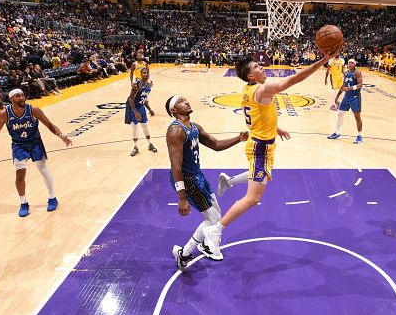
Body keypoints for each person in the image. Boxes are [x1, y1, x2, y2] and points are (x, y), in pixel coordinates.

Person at [202, 50, 337, 258]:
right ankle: (215, 230)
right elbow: (294, 79)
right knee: (253, 197)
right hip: (260, 148)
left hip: (261, 143)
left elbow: (260, 115)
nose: (261, 67)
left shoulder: (248, 90)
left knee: (259, 180)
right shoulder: (263, 89)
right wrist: (323, 60)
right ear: (250, 76)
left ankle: (228, 182)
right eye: (256, 67)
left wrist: (276, 128)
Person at [165, 95, 248, 270]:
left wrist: (238, 139)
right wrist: (182, 198)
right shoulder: (176, 131)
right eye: (181, 101)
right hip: (187, 180)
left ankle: (203, 246)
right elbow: (176, 166)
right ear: (174, 110)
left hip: (197, 176)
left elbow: (215, 144)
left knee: (215, 215)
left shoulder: (194, 127)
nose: (186, 101)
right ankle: (185, 253)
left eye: (186, 99)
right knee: (214, 220)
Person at [0, 88, 72, 217]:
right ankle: (24, 203)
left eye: (23, 95)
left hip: (35, 143)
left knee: (43, 169)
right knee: (20, 174)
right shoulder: (4, 114)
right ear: (11, 99)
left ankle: (52, 198)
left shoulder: (33, 109)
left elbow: (50, 125)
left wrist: (62, 135)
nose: (22, 98)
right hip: (19, 145)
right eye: (18, 96)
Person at [327, 59, 364, 144]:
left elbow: (360, 85)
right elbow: (343, 86)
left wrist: (350, 88)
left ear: (354, 65)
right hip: (346, 96)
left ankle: (359, 135)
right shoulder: (346, 73)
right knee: (340, 113)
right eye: (349, 63)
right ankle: (337, 133)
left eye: (352, 63)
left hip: (355, 97)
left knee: (357, 116)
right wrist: (337, 97)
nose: (350, 64)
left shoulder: (357, 73)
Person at [125, 68, 157, 156]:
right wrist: (135, 112)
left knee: (145, 126)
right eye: (144, 73)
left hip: (141, 107)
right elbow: (131, 99)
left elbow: (144, 99)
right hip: (134, 107)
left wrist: (149, 109)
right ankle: (135, 147)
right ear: (141, 74)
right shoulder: (137, 85)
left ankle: (150, 144)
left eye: (147, 73)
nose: (146, 74)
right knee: (135, 127)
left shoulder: (149, 85)